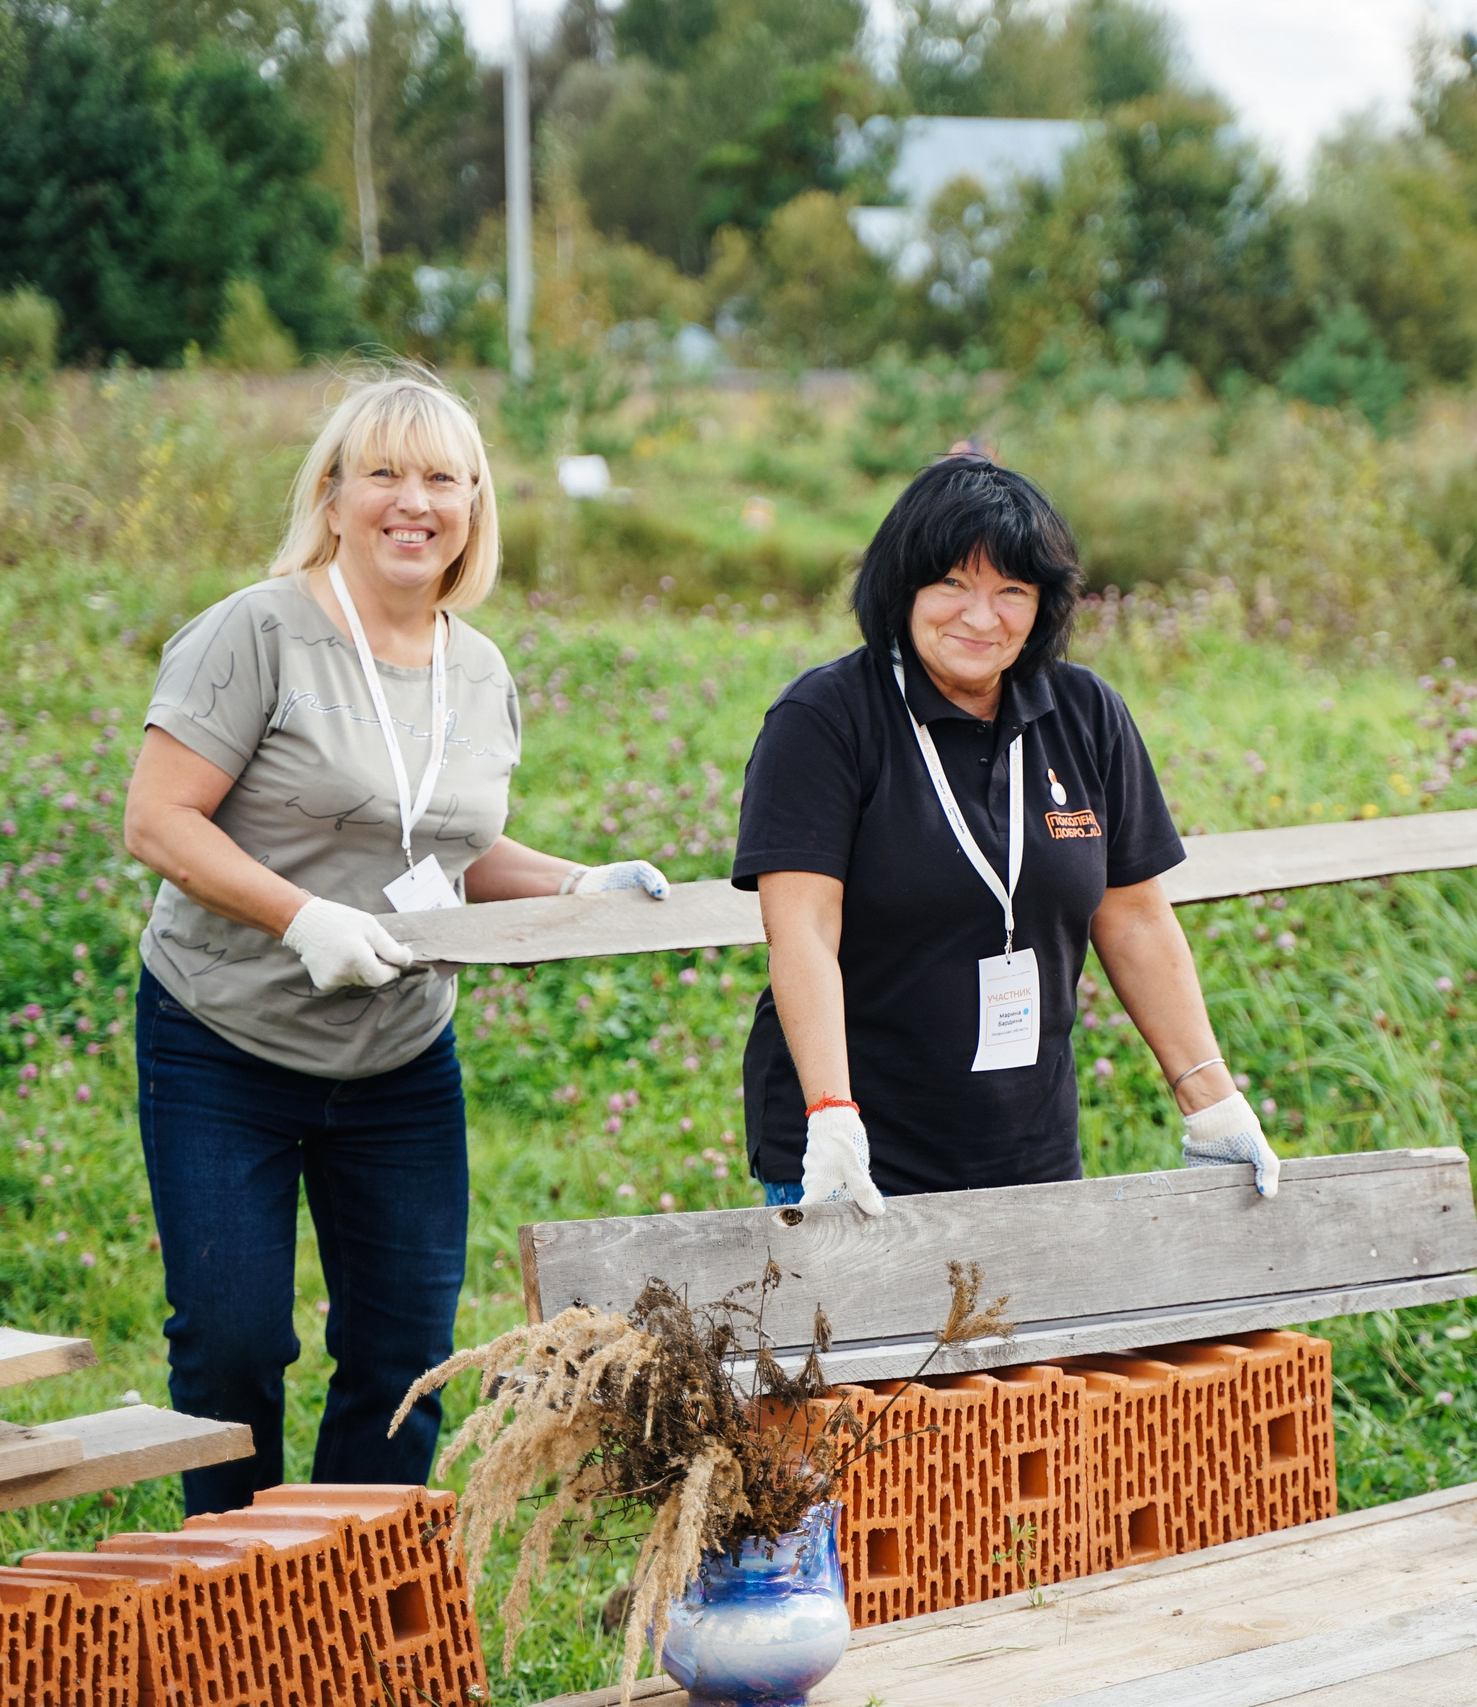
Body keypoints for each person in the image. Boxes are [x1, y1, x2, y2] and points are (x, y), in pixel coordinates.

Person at [121, 371, 669, 1513]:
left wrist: (578, 881)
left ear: (475, 506)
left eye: (443, 479)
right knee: (231, 1344)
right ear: (331, 497)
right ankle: (225, 1590)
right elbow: (157, 820)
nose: (412, 502)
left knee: (404, 1357)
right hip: (227, 1040)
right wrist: (300, 915)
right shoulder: (255, 632)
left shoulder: (479, 667)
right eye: (383, 473)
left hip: (400, 1060)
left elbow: (454, 843)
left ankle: (343, 1594)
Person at [731, 456, 1276, 1211]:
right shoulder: (827, 719)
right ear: (902, 585)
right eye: (952, 583)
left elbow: (1136, 917)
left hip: (1030, 1146)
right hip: (855, 1154)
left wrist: (1212, 1099)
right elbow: (802, 931)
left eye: (1010, 591)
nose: (980, 618)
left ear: (1043, 604)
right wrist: (830, 1114)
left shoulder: (1085, 713)